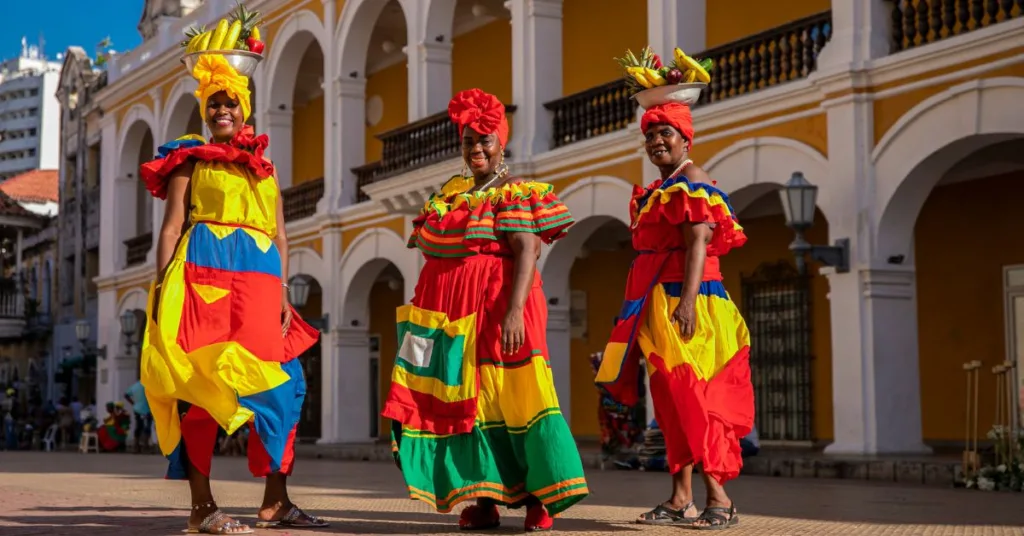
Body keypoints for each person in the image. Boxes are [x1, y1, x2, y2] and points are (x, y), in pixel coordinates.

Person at [381, 88, 588, 532]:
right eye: (469, 141)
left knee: (515, 397)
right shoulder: (451, 195)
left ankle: (539, 499)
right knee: (464, 403)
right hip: (448, 320)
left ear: (501, 144)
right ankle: (485, 499)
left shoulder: (514, 191)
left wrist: (514, 312)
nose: (476, 148)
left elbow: (528, 249)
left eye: (485, 140)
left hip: (499, 310)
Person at [138, 46, 326, 533]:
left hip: (261, 284)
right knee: (200, 389)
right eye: (214, 105)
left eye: (231, 103)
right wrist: (160, 290)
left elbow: (279, 232)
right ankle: (202, 508)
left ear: (246, 107)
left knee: (282, 389)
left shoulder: (265, 168)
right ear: (206, 112)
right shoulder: (191, 161)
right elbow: (171, 227)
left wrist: (283, 291)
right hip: (204, 277)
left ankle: (275, 502)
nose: (223, 111)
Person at [595, 99, 753, 530]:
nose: (656, 141)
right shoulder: (660, 188)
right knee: (669, 405)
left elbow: (698, 242)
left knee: (696, 400)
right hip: (657, 304)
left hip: (692, 301)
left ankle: (720, 500)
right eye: (649, 135)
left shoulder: (692, 179)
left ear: (686, 139)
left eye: (665, 133)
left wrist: (686, 303)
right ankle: (681, 499)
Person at [124, 381, 152, 454]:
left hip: (137, 409)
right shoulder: (149, 385)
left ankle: (136, 446)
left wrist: (134, 403)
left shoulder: (135, 386)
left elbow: (126, 395)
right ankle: (146, 447)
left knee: (138, 427)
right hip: (148, 409)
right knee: (147, 427)